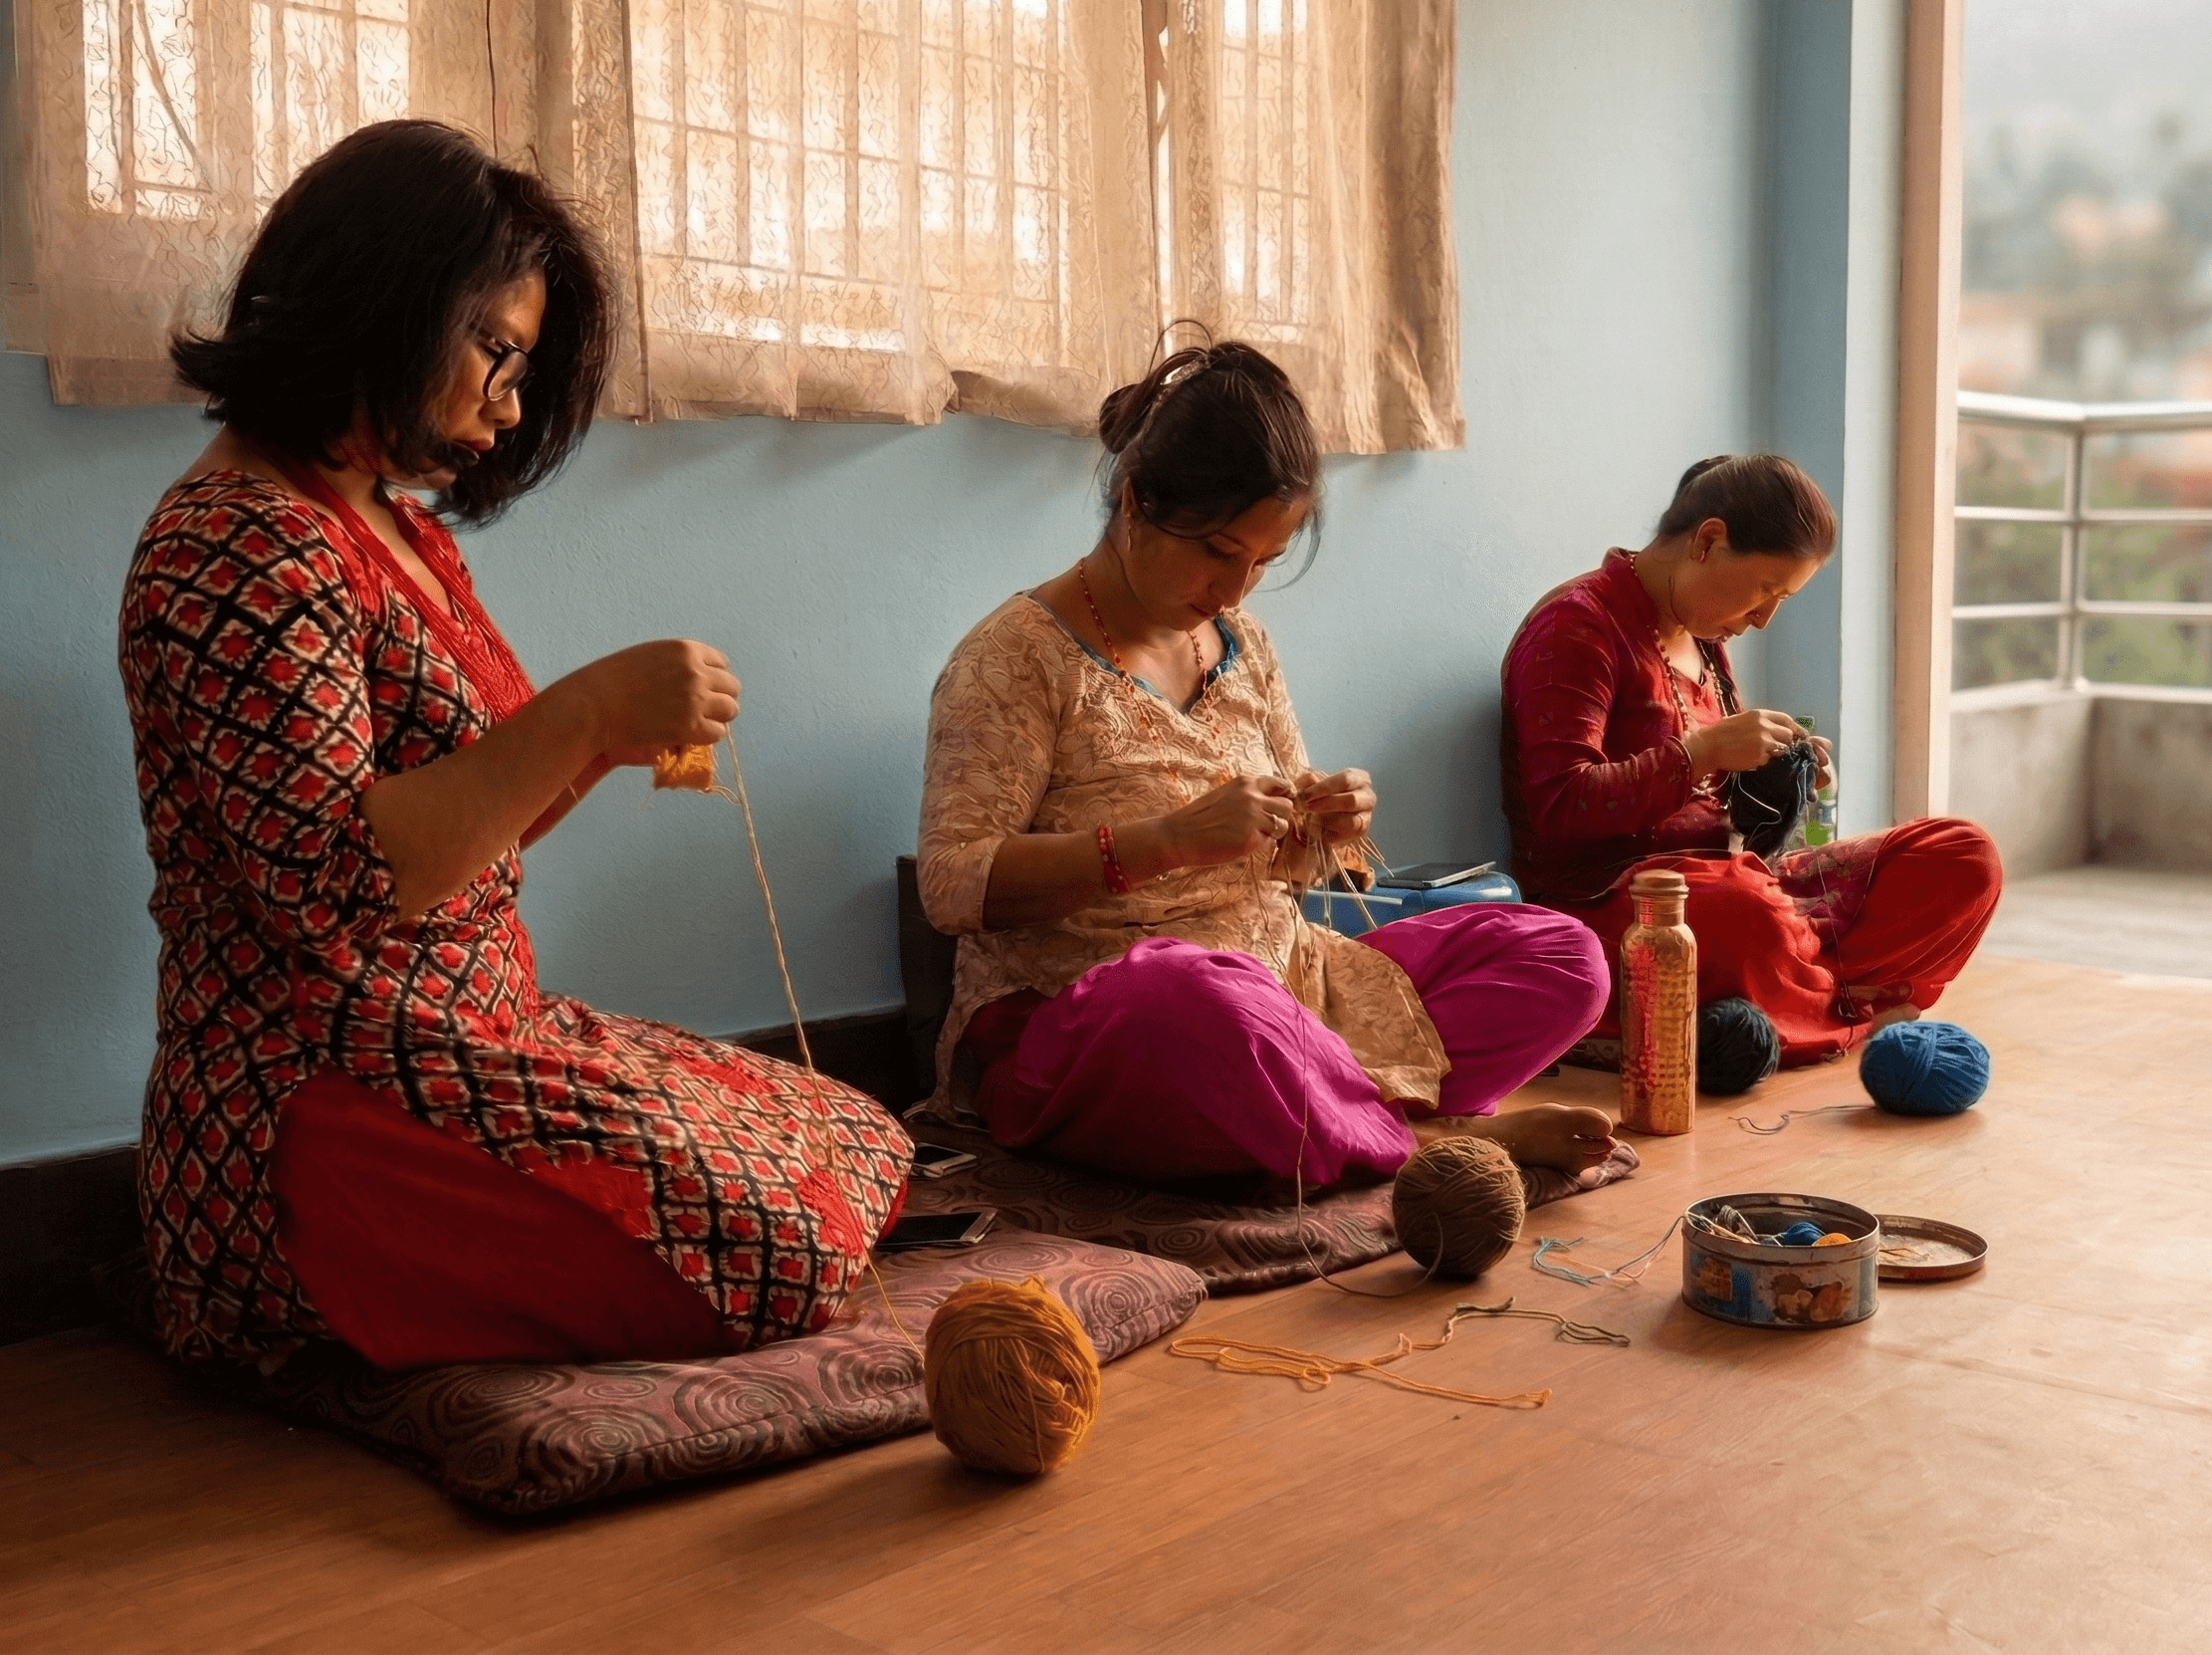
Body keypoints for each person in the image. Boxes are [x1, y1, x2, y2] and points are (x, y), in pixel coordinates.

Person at [118, 120, 910, 1372]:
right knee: (783, 1241)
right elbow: (333, 883)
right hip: (323, 1088)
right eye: (496, 348)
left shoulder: (394, 528)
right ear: (387, 302)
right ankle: (284, 1280)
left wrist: (604, 742)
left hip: (481, 1032)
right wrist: (584, 715)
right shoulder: (238, 544)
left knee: (853, 1131)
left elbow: (476, 816)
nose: (512, 398)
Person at [916, 339, 1613, 1188]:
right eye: (1216, 551)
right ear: (1136, 503)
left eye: (1263, 562)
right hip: (1106, 1017)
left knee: (1567, 954)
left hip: (1288, 988)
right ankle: (1423, 1143)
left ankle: (1325, 1114)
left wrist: (1334, 823)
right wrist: (1166, 840)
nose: (1236, 589)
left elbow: (1297, 865)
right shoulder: (1014, 658)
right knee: (1198, 1004)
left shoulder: (1244, 646)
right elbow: (951, 886)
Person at [1501, 454, 2003, 1068]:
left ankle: (1779, 1004)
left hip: (1732, 880)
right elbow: (1560, 804)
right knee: (1746, 912)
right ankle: (1836, 1004)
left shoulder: (1704, 637)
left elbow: (1720, 808)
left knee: (1963, 853)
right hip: (1618, 905)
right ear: (1708, 541)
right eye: (1766, 591)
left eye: (1781, 599)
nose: (1765, 619)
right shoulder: (1578, 625)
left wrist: (1775, 772)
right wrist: (1705, 752)